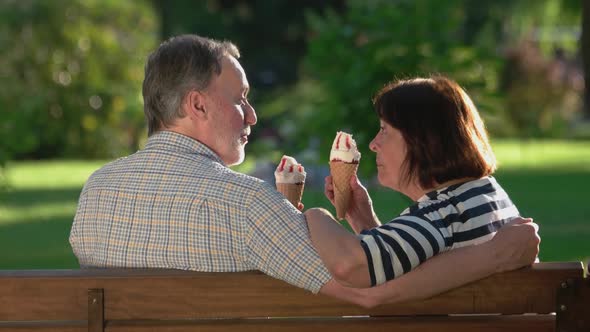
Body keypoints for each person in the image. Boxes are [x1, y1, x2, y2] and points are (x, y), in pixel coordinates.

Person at [70, 35, 539, 308]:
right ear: (197, 104)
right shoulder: (249, 205)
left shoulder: (95, 192)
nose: (252, 116)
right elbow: (369, 291)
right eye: (240, 100)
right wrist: (494, 256)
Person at [306, 76, 530, 288]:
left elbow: (349, 266)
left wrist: (314, 216)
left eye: (384, 130)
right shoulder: (486, 195)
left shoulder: (439, 216)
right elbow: (406, 266)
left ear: (422, 140)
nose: (374, 144)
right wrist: (363, 221)